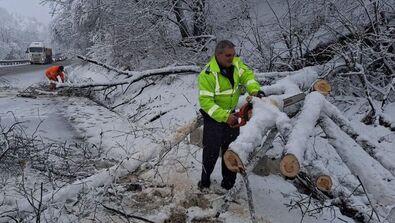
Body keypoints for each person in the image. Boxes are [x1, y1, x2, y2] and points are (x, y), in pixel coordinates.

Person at [197, 40, 263, 191]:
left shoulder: (237, 64)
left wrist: (254, 90)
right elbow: (205, 102)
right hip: (214, 116)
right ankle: (205, 183)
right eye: (228, 55)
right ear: (218, 54)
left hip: (232, 113)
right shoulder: (207, 74)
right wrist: (224, 117)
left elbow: (248, 76)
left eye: (233, 55)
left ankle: (228, 185)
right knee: (211, 151)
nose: (231, 58)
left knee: (232, 150)